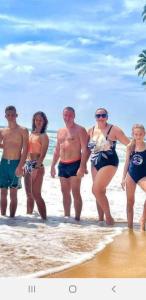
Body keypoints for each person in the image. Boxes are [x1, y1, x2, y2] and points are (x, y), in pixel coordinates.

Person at [88, 107, 129, 225]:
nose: (101, 118)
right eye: (98, 115)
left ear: (107, 116)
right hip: (94, 162)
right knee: (99, 191)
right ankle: (101, 221)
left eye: (103, 115)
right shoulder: (90, 130)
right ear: (95, 117)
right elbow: (85, 149)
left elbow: (129, 144)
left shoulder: (114, 129)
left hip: (109, 162)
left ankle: (109, 218)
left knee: (95, 189)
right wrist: (82, 165)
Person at [51, 107, 88, 221]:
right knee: (64, 193)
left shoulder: (80, 130)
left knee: (75, 192)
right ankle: (67, 217)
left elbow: (85, 150)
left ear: (74, 116)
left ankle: (77, 219)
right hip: (62, 165)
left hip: (75, 164)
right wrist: (52, 165)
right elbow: (57, 150)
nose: (67, 118)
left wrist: (82, 166)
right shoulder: (60, 131)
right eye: (65, 115)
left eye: (70, 115)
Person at [0, 105, 29, 217]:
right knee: (2, 193)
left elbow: (26, 149)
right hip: (3, 164)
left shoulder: (23, 130)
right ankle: (3, 217)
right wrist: (6, 146)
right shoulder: (2, 131)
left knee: (13, 193)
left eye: (13, 115)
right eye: (8, 115)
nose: (11, 117)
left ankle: (12, 219)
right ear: (5, 116)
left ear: (16, 115)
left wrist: (21, 166)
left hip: (15, 164)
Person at [24, 111, 49, 220]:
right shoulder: (31, 134)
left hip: (37, 166)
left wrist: (36, 167)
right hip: (27, 165)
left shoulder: (44, 136)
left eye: (40, 120)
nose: (38, 122)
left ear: (44, 122)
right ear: (34, 121)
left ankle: (45, 219)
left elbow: (43, 154)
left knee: (36, 194)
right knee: (29, 195)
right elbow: (26, 151)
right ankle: (29, 217)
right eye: (36, 120)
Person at [121, 124, 146, 231]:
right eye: (136, 134)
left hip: (143, 175)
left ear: (144, 134)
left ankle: (143, 220)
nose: (138, 136)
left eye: (140, 134)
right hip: (131, 175)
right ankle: (130, 227)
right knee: (130, 201)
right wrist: (123, 178)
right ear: (133, 135)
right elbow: (126, 162)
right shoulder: (130, 147)